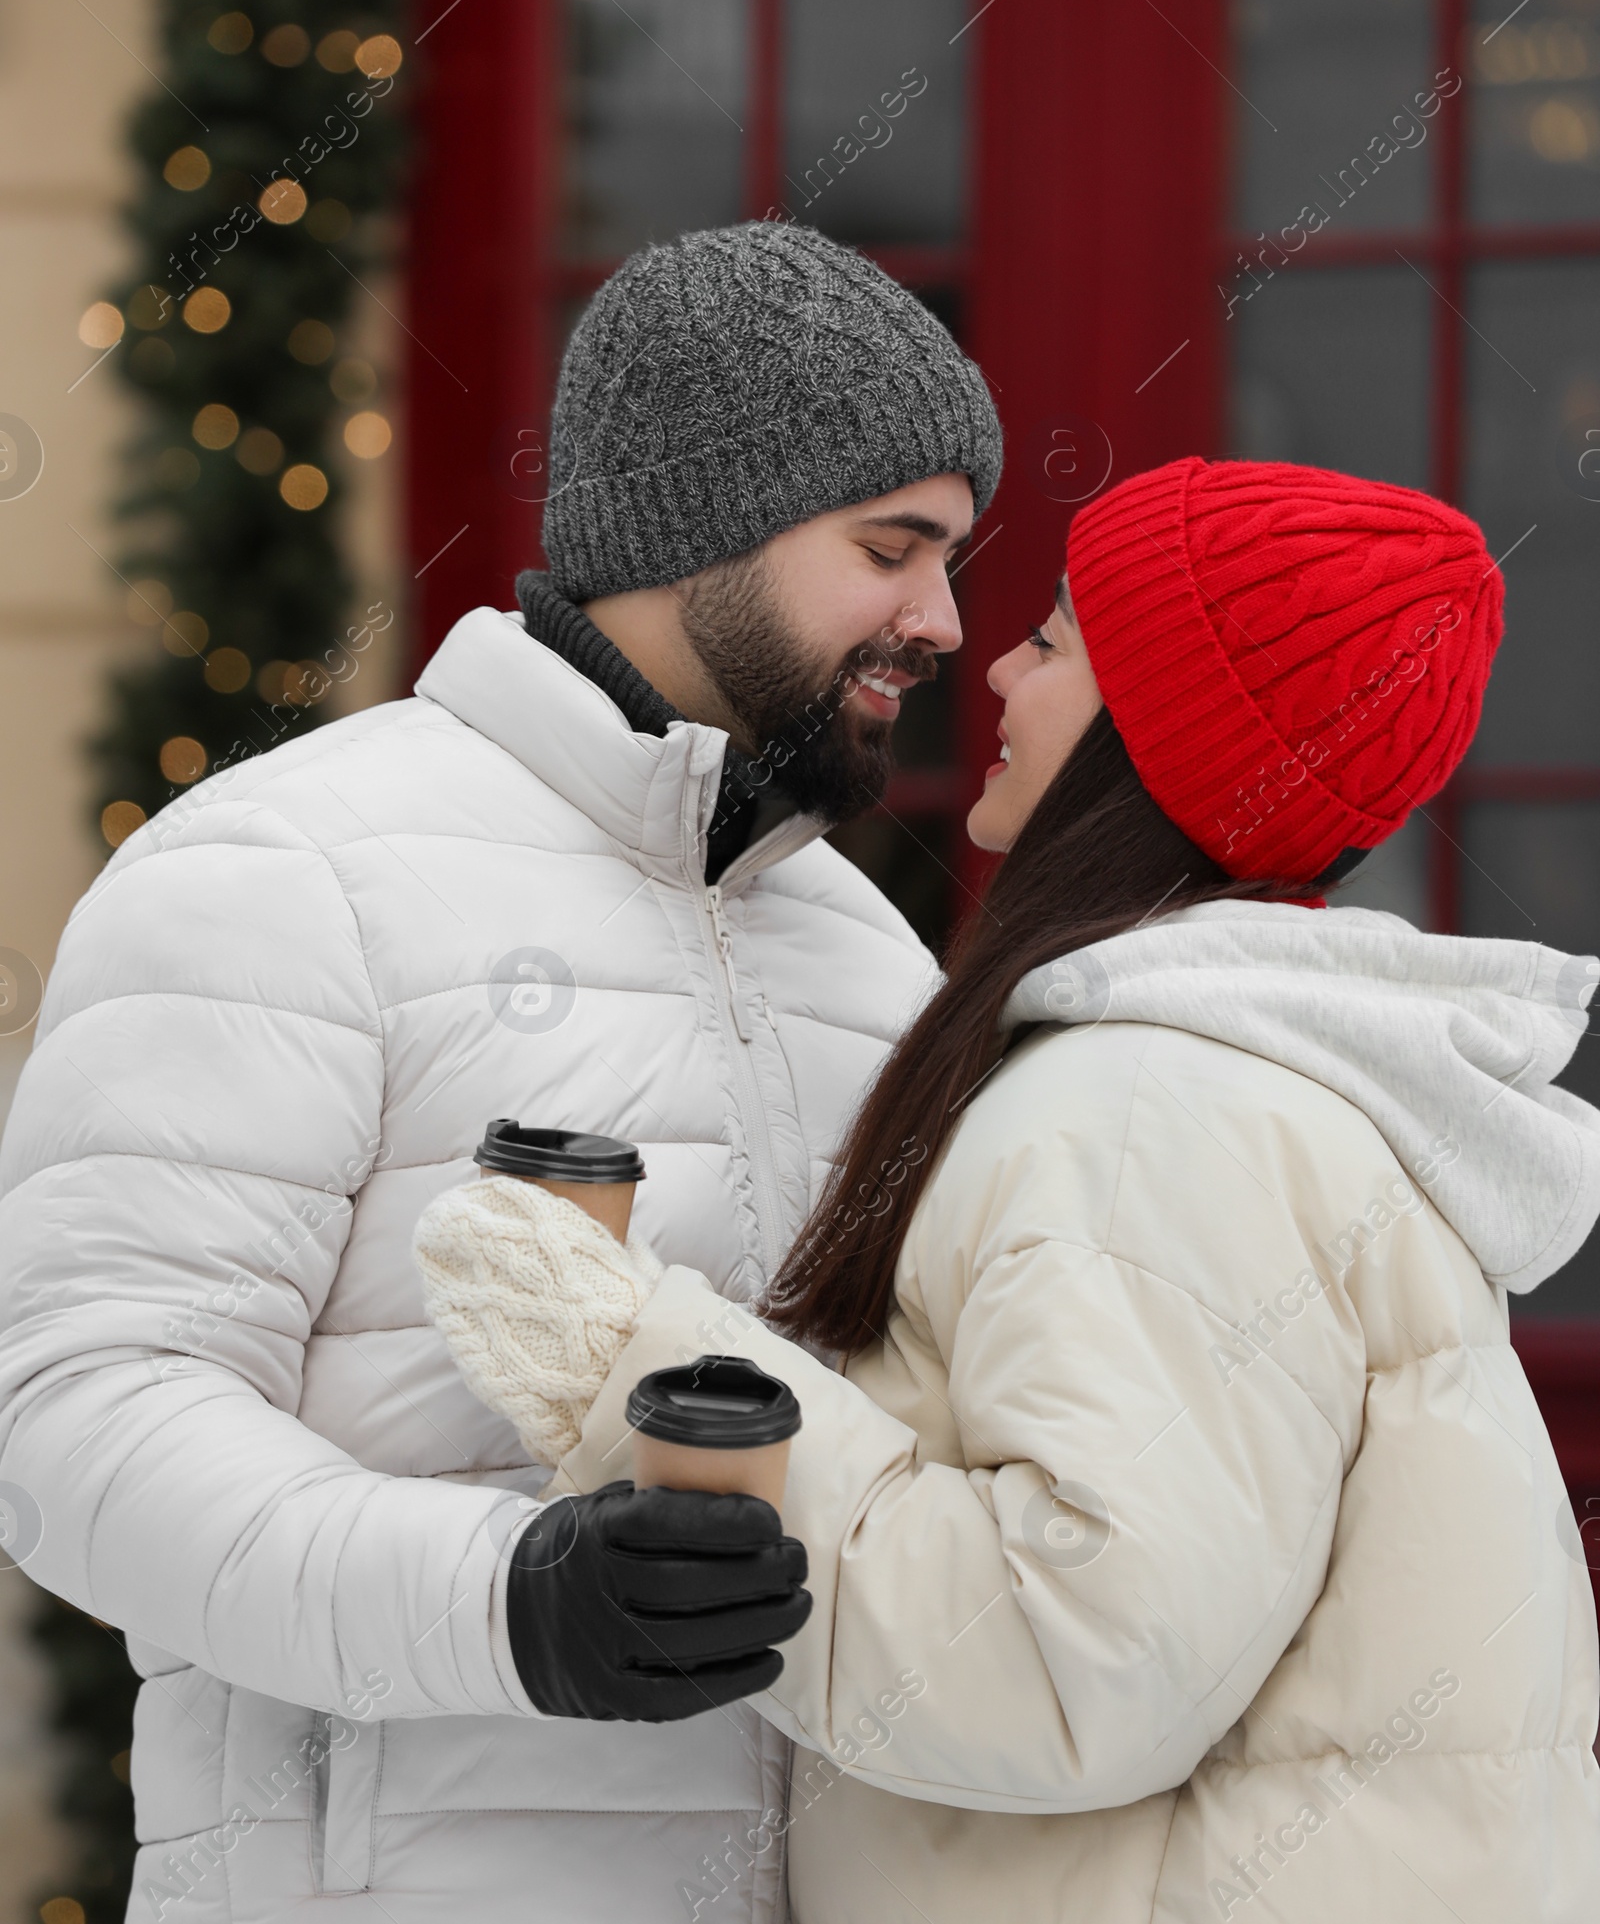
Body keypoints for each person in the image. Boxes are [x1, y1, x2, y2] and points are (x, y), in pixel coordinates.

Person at [420, 457, 1600, 1923]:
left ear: (1155, 736)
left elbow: (1070, 1663)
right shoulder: (1260, 1087)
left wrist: (622, 1362)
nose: (992, 668)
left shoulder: (1154, 1114)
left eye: (1052, 642)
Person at [0, 219, 1001, 1924]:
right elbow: (82, 1424)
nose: (948, 623)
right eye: (890, 547)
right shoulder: (285, 870)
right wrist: (510, 1600)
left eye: (954, 558)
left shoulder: (865, 955)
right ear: (702, 530)